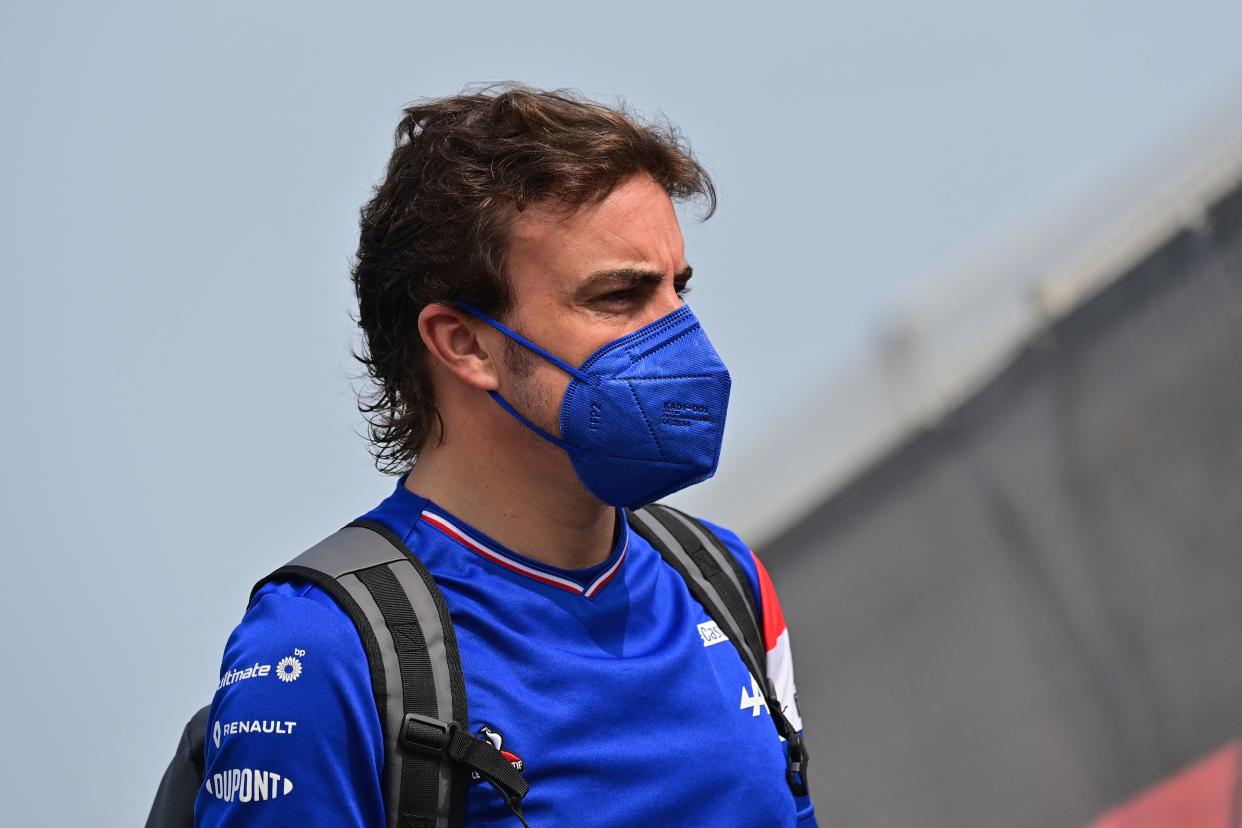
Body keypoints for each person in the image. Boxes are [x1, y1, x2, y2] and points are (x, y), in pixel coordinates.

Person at [196, 84, 818, 827]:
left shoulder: (724, 580)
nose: (682, 339)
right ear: (463, 343)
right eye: (621, 296)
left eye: (676, 290)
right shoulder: (323, 650)